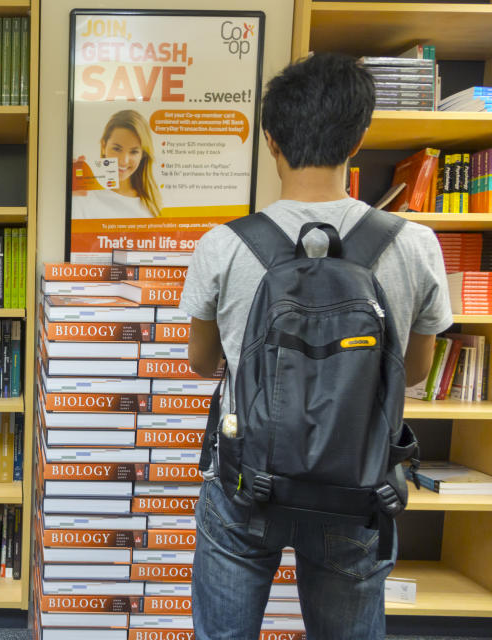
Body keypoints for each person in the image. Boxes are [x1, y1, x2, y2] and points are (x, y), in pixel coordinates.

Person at [179, 52, 453, 639]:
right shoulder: (416, 245)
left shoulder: (223, 245)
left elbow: (202, 362)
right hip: (357, 485)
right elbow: (411, 373)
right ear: (358, 138)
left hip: (244, 484)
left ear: (270, 140)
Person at [71, 109, 162, 219]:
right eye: (117, 149)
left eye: (134, 152)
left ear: (142, 155)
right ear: (104, 146)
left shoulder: (154, 200)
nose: (124, 161)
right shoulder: (81, 196)